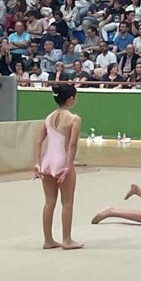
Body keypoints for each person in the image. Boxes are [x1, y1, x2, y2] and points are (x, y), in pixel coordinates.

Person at [32, 84, 83, 250]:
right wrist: (68, 166)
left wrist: (37, 163)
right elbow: (72, 144)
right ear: (71, 99)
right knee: (67, 202)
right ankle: (66, 239)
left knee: (49, 201)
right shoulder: (74, 119)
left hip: (47, 162)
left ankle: (48, 239)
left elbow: (38, 141)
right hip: (62, 161)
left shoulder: (48, 118)